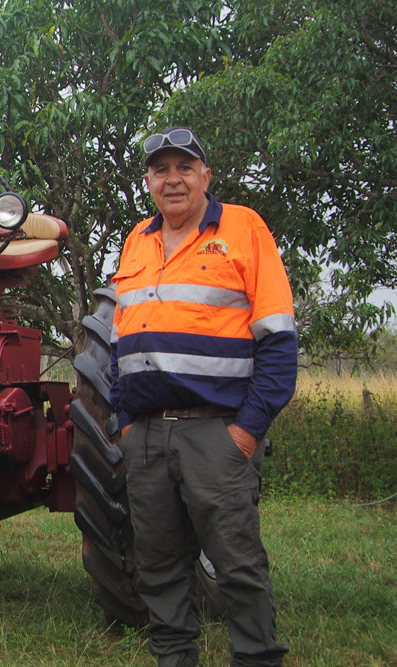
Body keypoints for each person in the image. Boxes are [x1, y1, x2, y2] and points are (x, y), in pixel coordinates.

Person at [109, 127, 297, 667]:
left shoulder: (243, 228)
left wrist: (244, 433)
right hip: (145, 438)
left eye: (184, 168)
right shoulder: (137, 241)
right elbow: (122, 341)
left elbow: (280, 342)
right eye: (161, 170)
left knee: (236, 567)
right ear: (148, 181)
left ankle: (257, 657)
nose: (173, 179)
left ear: (205, 177)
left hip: (215, 432)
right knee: (160, 571)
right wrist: (126, 419)